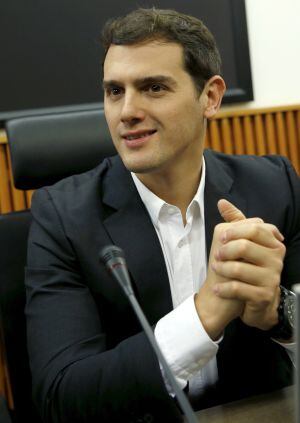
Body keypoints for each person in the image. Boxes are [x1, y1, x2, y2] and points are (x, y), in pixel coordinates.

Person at [25, 8, 300, 423]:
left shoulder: (275, 184)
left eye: (153, 88)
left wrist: (278, 314)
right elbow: (62, 397)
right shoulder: (63, 217)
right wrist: (204, 314)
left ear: (210, 97)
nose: (126, 111)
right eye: (114, 91)